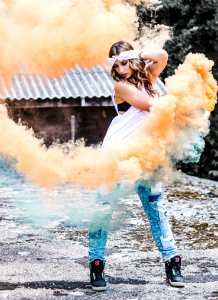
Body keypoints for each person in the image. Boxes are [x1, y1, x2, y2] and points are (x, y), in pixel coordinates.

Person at [88, 40, 185, 291]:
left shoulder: (149, 76)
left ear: (132, 58)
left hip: (146, 156)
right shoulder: (120, 86)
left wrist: (137, 54)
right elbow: (153, 105)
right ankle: (96, 264)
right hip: (117, 156)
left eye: (124, 62)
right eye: (116, 64)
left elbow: (162, 55)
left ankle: (172, 264)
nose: (121, 69)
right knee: (103, 211)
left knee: (157, 211)